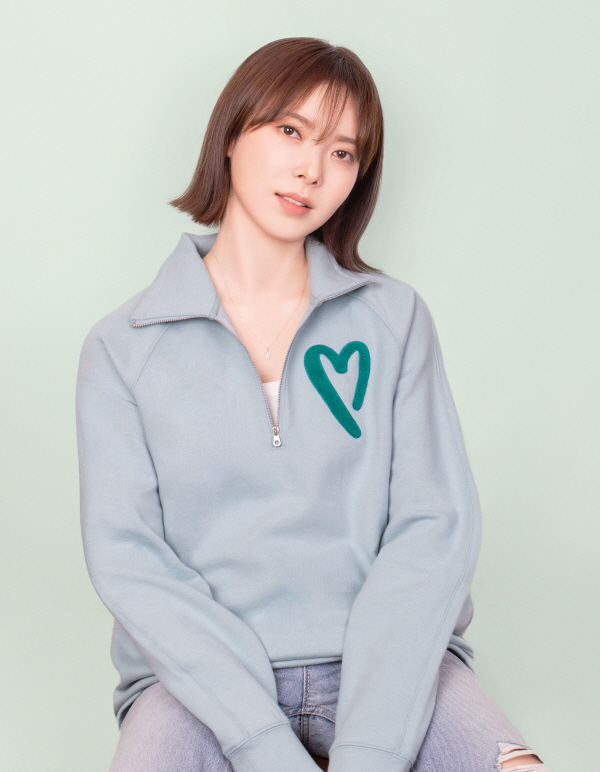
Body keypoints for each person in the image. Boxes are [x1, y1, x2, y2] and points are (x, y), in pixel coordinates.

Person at [75, 37, 547, 772]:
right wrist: (262, 745)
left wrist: (370, 748)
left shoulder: (394, 318)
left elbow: (434, 528)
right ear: (231, 135)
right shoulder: (122, 347)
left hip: (393, 670)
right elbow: (132, 563)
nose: (312, 170)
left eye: (343, 152)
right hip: (195, 688)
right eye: (290, 131)